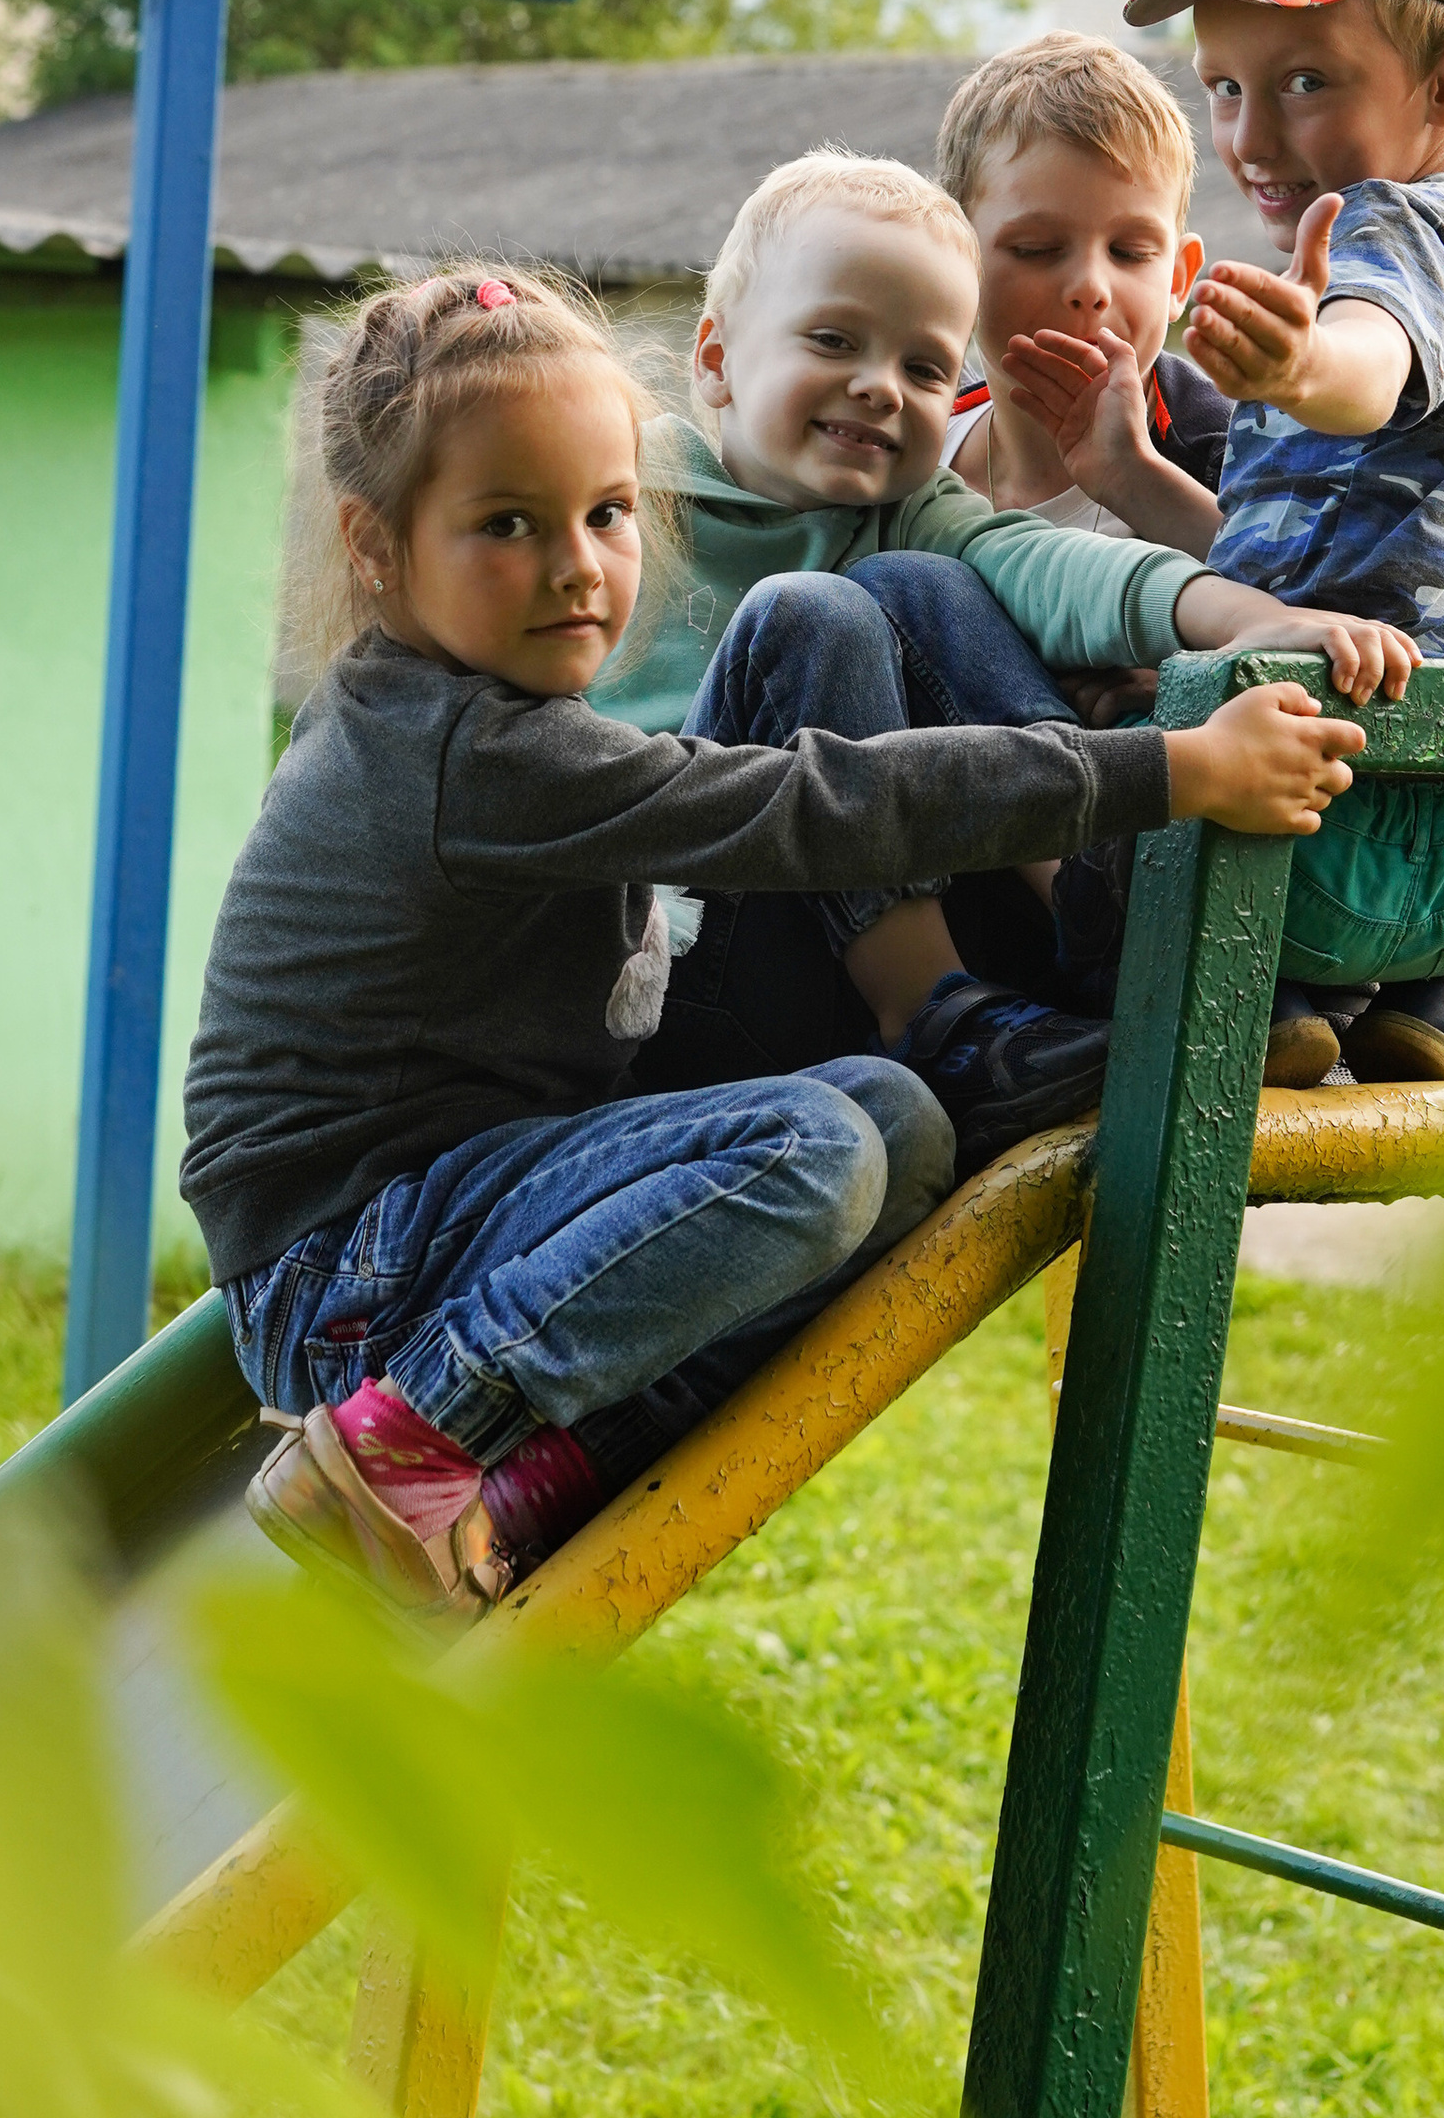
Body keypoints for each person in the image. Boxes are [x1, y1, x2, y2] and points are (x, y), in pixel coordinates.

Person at [182, 264, 1372, 1611]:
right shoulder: (462, 752)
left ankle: (537, 1477)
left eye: (611, 513)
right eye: (508, 524)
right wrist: (1165, 768)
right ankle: (407, 1447)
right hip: (354, 1277)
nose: (580, 566)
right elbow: (817, 804)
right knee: (810, 1150)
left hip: (480, 1200)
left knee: (900, 1124)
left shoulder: (485, 711)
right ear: (375, 544)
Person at [602, 152, 1416, 1151]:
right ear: (718, 359)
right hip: (667, 968)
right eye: (831, 340)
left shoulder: (911, 514)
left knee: (933, 585)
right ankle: (941, 1015)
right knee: (808, 616)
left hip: (823, 986)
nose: (877, 388)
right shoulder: (619, 498)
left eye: (924, 369)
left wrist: (1244, 618)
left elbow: (1051, 568)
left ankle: (1098, 918)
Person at [1012, 0, 1444, 1089]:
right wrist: (1133, 477)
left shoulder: (1387, 229)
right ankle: (1424, 1000)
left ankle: (1245, 988)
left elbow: (1364, 361)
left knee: (1061, 723)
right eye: (1222, 89)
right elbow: (1299, 564)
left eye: (1304, 80)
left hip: (1313, 804)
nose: (1251, 135)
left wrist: (1295, 369)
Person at [933, 32, 1227, 554]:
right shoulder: (915, 436)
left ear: (1179, 279)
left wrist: (1137, 482)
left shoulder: (1227, 453)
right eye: (1037, 248)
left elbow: (1305, 601)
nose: (1091, 288)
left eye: (1130, 252)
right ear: (953, 261)